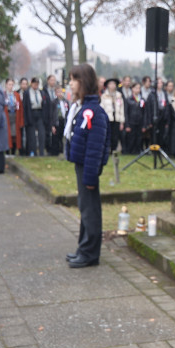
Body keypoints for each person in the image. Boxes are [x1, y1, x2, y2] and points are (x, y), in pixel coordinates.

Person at [65, 63, 108, 268]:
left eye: (74, 80)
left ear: (83, 82)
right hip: (82, 165)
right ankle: (83, 248)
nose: (70, 83)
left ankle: (90, 253)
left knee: (90, 210)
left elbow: (95, 148)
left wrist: (90, 176)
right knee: (85, 208)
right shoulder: (82, 107)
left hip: (87, 167)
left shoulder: (94, 112)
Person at [24, 77, 48, 157]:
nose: (36, 86)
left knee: (41, 133)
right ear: (31, 84)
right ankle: (33, 151)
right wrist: (27, 119)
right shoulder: (27, 93)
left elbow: (44, 104)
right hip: (31, 113)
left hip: (39, 113)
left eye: (37, 84)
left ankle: (41, 152)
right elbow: (25, 106)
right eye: (34, 84)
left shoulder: (41, 92)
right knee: (32, 135)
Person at [99, 77, 125, 154]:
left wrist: (122, 121)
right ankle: (107, 149)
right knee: (108, 134)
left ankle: (114, 149)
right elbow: (102, 108)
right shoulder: (104, 96)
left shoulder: (119, 95)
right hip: (108, 119)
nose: (112, 85)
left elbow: (121, 108)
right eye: (110, 84)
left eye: (114, 84)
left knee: (115, 135)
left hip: (116, 118)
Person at [123, 82, 145, 155]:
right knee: (131, 137)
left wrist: (144, 124)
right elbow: (126, 112)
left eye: (139, 88)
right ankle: (130, 151)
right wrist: (127, 124)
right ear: (132, 89)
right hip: (131, 122)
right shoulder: (128, 99)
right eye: (136, 88)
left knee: (139, 137)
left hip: (139, 121)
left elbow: (144, 112)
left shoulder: (142, 99)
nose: (137, 90)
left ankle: (138, 150)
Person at [4, 78, 21, 155]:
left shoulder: (16, 95)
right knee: (7, 135)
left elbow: (19, 106)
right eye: (9, 84)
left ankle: (13, 152)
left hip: (14, 115)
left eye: (12, 85)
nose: (11, 86)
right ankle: (7, 152)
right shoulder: (3, 95)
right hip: (6, 116)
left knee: (14, 134)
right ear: (6, 85)